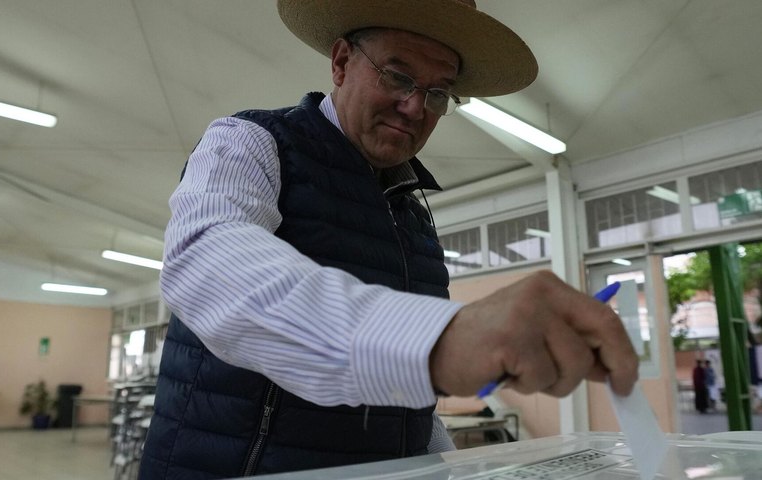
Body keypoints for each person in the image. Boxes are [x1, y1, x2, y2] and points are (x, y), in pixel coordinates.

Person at [139, 1, 639, 478]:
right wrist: (442, 337)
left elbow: (406, 409)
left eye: (439, 92)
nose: (415, 106)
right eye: (399, 76)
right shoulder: (251, 141)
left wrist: (438, 464)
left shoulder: (413, 218)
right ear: (340, 62)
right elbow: (207, 262)